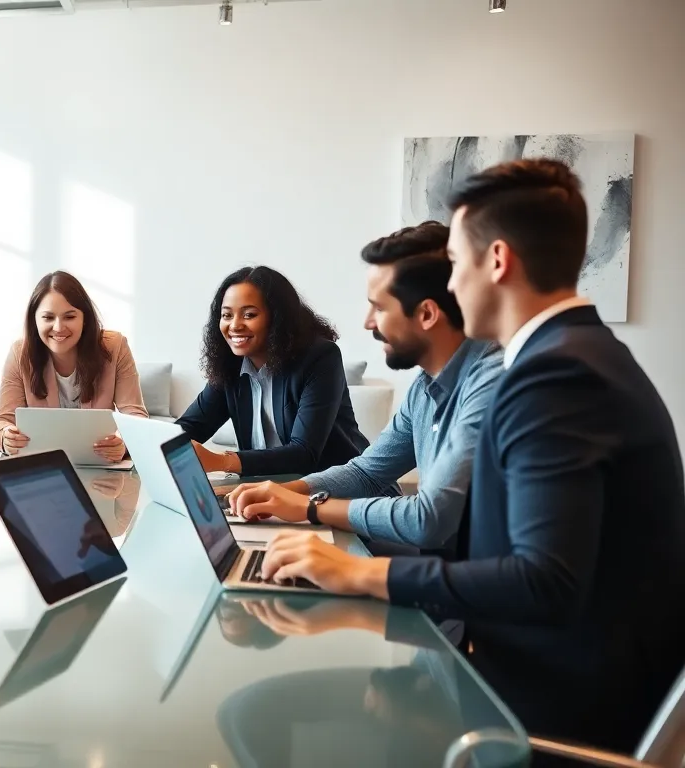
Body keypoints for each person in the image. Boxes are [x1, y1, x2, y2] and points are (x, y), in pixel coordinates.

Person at [249, 159, 685, 758]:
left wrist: (360, 574)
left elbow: (542, 581)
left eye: (456, 263)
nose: (450, 286)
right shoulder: (575, 355)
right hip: (544, 672)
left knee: (263, 708)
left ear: (497, 261)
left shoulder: (554, 376)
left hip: (551, 709)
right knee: (275, 698)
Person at [228, 223, 503, 555]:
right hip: (438, 567)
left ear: (427, 313)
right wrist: (284, 491)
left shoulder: (494, 382)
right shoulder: (424, 387)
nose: (368, 322)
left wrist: (309, 507)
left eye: (380, 307)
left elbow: (428, 519)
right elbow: (367, 472)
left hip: (472, 579)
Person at [178, 266, 368, 477]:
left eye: (249, 314)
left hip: (337, 487)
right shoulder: (230, 366)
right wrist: (155, 444)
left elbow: (304, 453)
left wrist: (222, 461)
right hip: (266, 487)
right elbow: (191, 427)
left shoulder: (320, 357)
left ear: (278, 318)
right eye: (226, 315)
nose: (235, 325)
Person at [0, 271, 147, 462]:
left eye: (70, 317)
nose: (58, 327)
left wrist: (123, 443)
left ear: (84, 319)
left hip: (102, 466)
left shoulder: (114, 346)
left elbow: (136, 417)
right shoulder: (20, 353)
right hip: (44, 467)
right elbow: (1, 422)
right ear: (35, 320)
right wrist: (5, 437)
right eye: (48, 317)